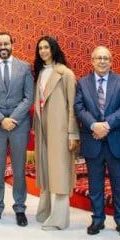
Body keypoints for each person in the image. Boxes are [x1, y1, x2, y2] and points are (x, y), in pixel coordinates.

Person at [73, 46, 120, 238]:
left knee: (119, 185)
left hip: (116, 139)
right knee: (95, 185)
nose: (102, 61)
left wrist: (106, 125)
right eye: (98, 58)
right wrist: (94, 125)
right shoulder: (82, 83)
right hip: (93, 140)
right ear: (92, 61)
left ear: (111, 61)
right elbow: (79, 108)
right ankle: (97, 219)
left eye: (106, 58)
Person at [0, 31, 34, 226]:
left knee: (19, 169)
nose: (3, 47)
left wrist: (13, 119)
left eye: (6, 44)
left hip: (19, 125)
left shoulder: (24, 67)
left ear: (12, 44)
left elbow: (29, 97)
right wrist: (1, 119)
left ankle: (20, 207)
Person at [32, 36, 80, 230]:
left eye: (46, 47)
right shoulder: (40, 72)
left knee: (60, 172)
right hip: (43, 129)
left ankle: (59, 219)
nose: (43, 51)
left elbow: (72, 106)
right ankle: (46, 210)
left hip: (60, 130)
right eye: (40, 48)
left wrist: (72, 134)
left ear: (54, 49)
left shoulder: (65, 73)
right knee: (45, 170)